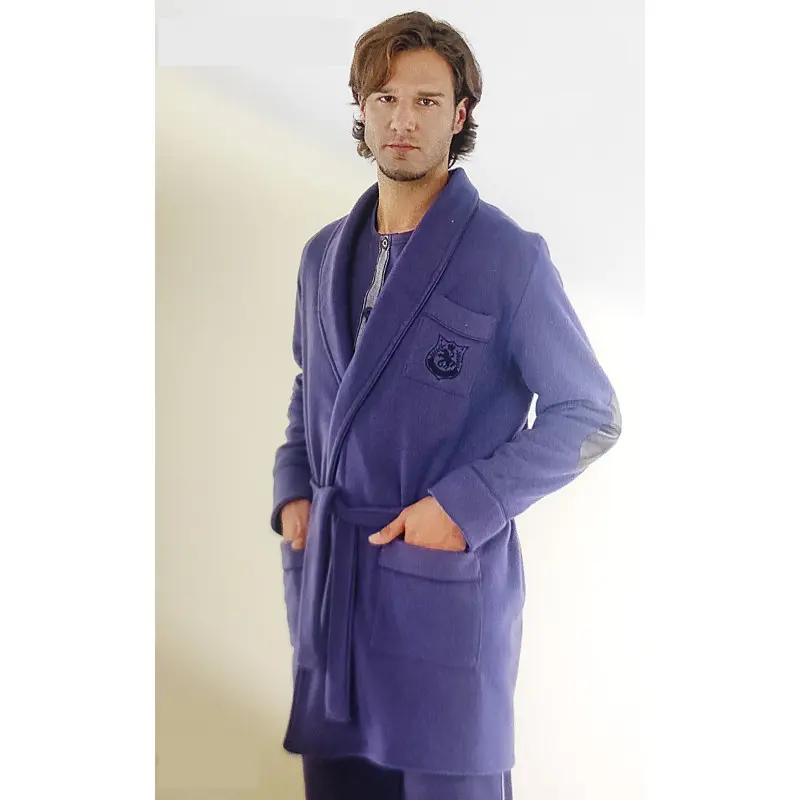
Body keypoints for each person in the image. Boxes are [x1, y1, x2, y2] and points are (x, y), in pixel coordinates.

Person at [270, 11, 622, 800]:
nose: (403, 119)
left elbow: (590, 412)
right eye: (386, 98)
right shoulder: (322, 255)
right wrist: (293, 490)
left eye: (427, 101)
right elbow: (309, 384)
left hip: (440, 597)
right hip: (333, 593)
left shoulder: (508, 258)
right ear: (362, 108)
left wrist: (466, 507)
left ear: (459, 114)